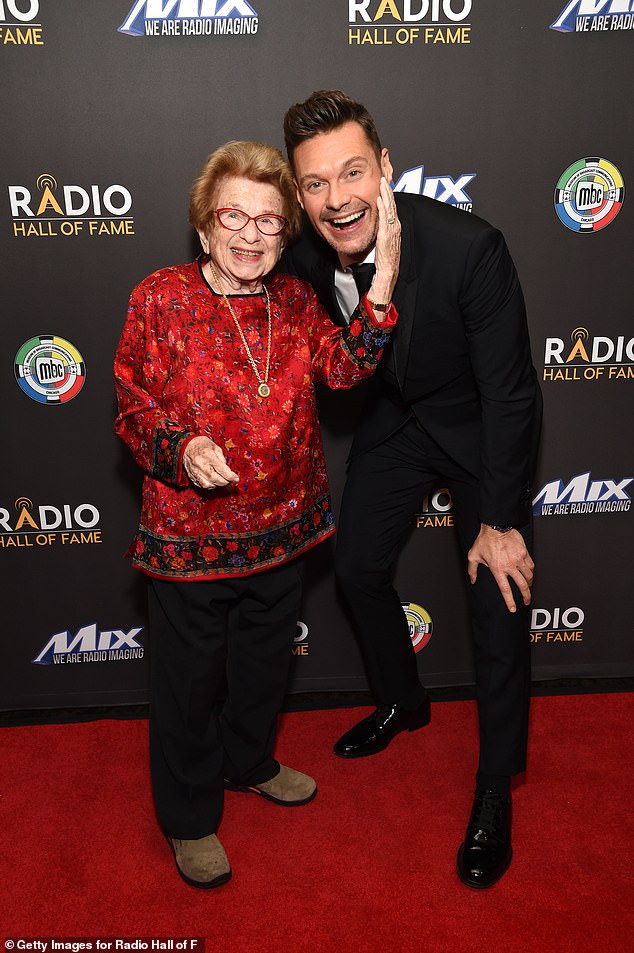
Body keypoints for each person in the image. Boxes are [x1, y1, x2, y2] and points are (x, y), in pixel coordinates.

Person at [114, 139, 400, 889]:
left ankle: (249, 762)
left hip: (286, 529)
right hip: (190, 541)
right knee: (187, 686)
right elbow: (133, 409)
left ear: (285, 232)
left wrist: (383, 284)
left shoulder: (298, 300)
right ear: (205, 226)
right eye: (232, 216)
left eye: (268, 221)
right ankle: (187, 817)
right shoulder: (160, 297)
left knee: (262, 672)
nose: (250, 234)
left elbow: (344, 369)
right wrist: (182, 447)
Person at [281, 91, 542, 889]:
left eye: (353, 171)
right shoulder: (299, 254)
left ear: (385, 167)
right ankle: (405, 700)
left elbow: (512, 395)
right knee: (356, 565)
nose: (339, 198)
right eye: (316, 184)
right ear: (299, 195)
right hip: (394, 421)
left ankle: (495, 784)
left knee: (497, 595)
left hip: (476, 428)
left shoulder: (470, 248)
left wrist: (498, 518)